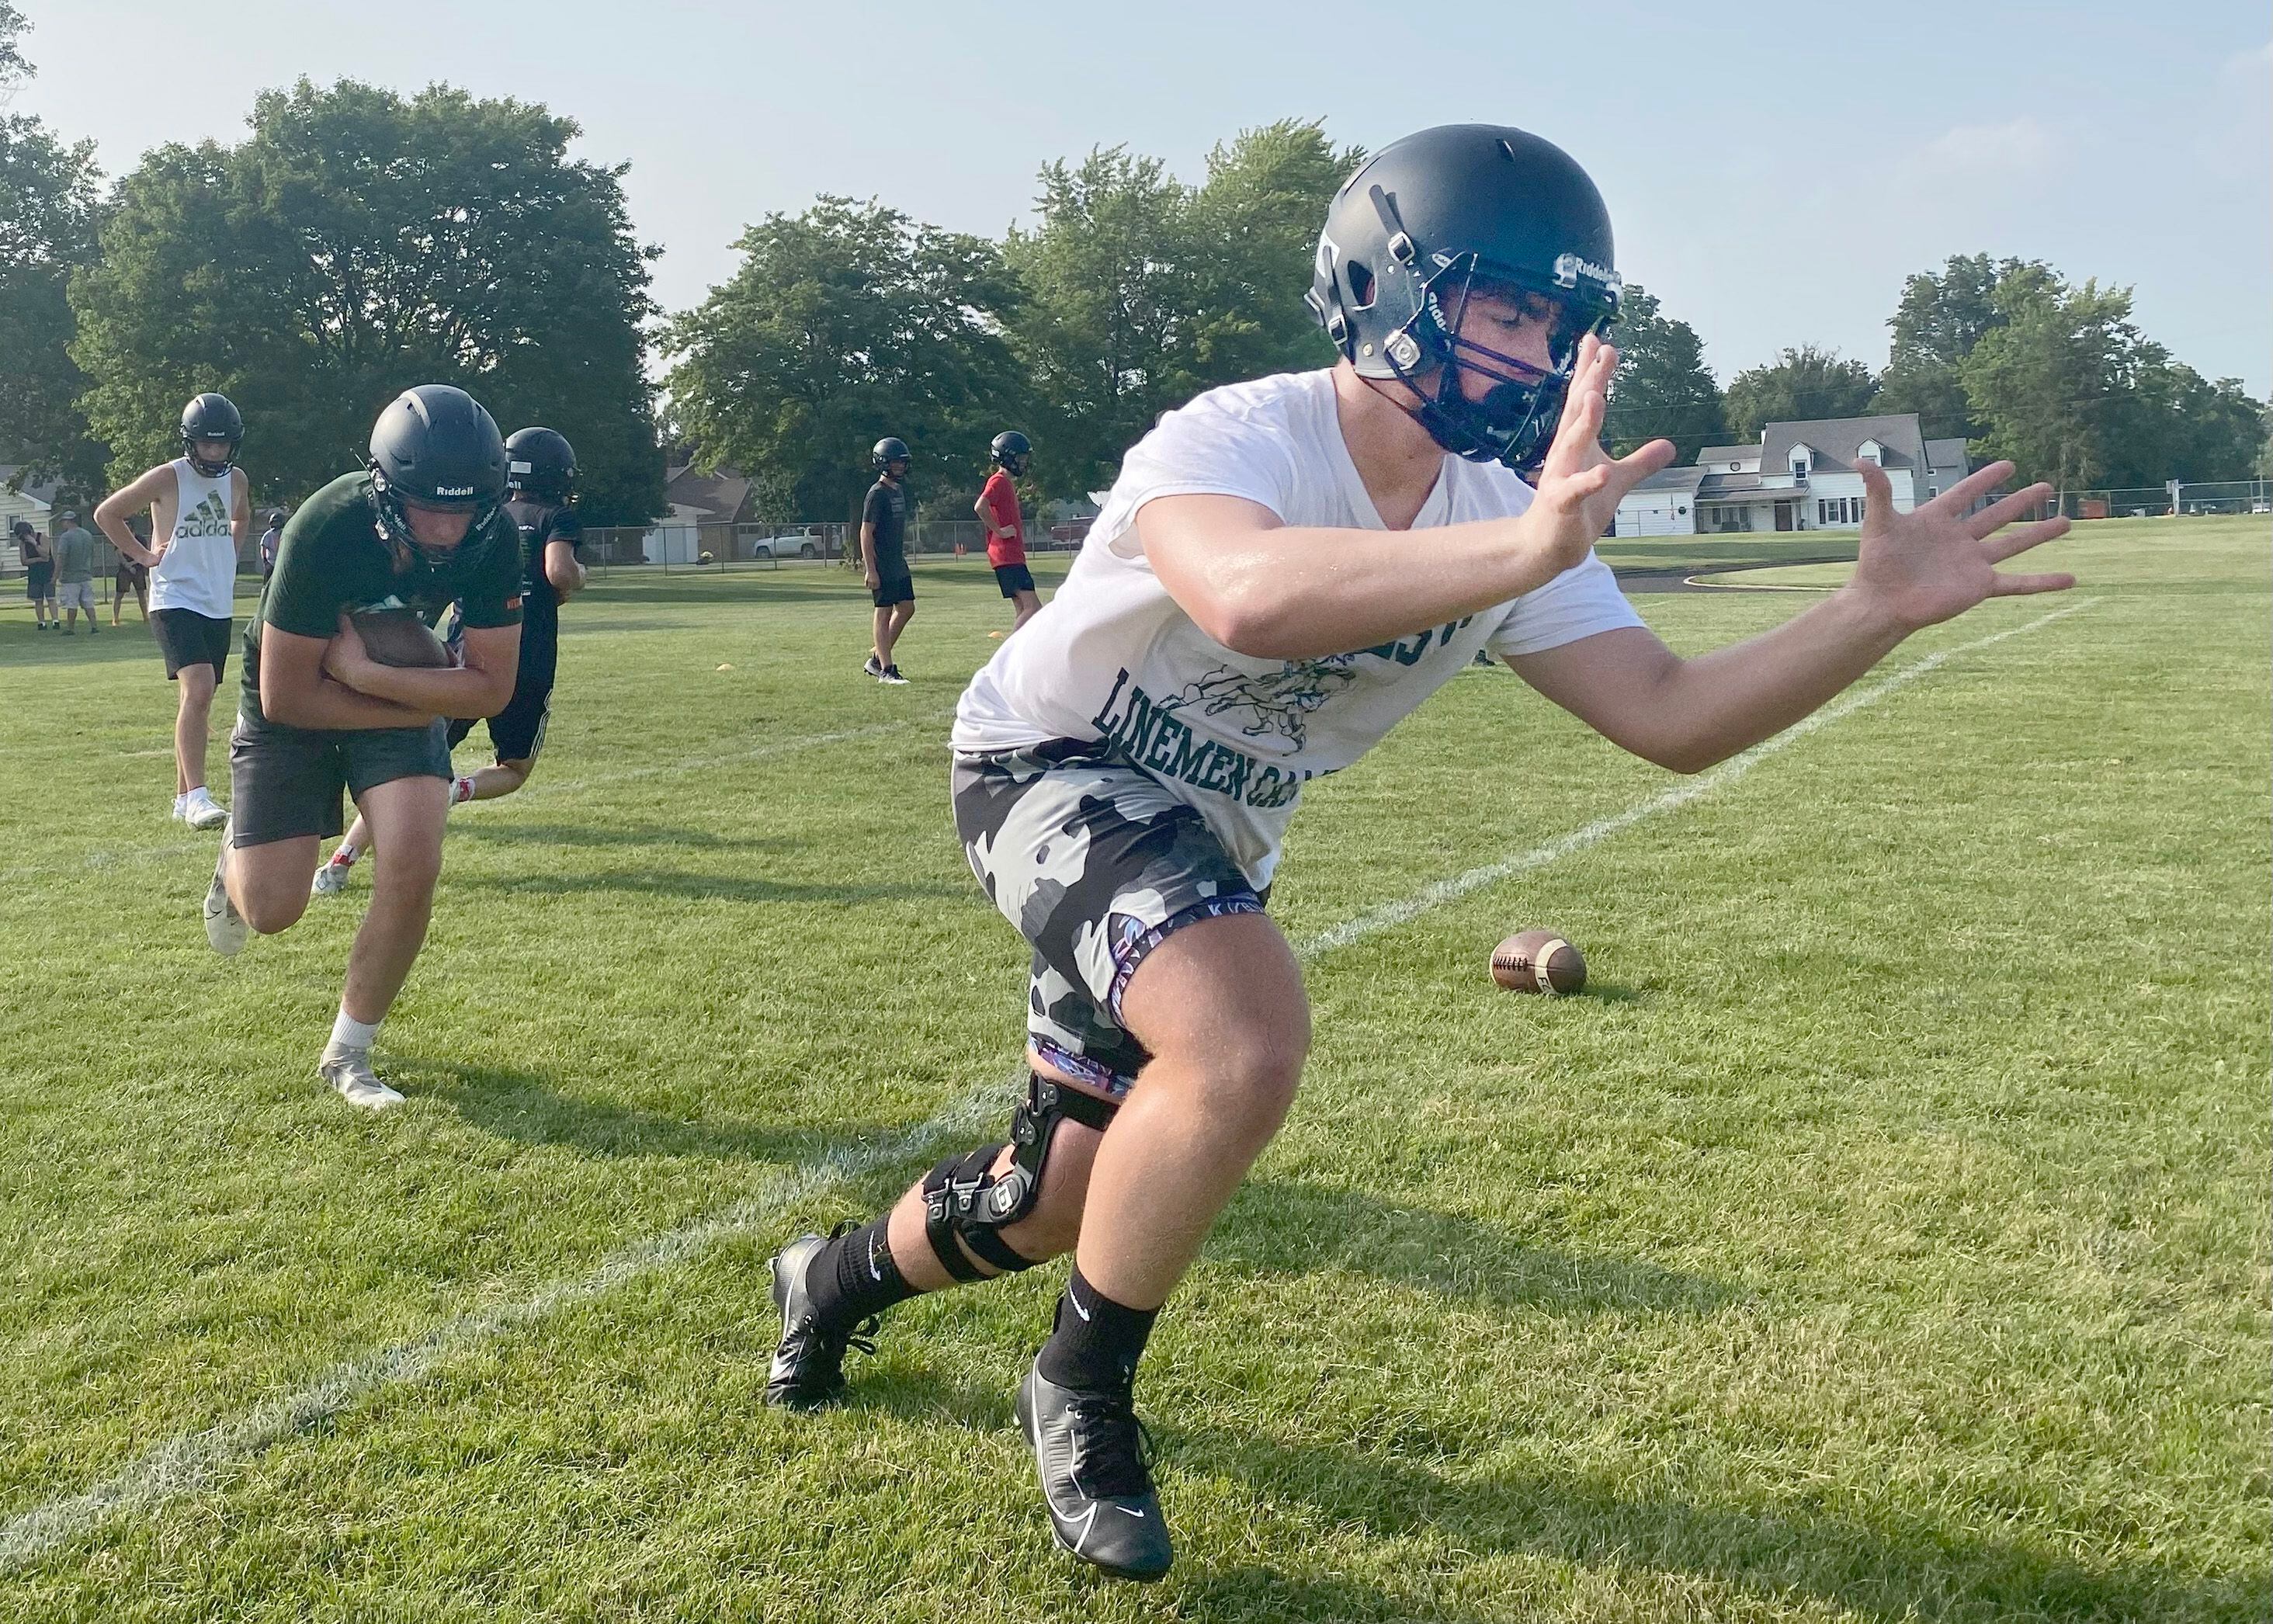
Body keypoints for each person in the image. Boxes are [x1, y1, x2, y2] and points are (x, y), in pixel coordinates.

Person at [759, 123, 2074, 1582]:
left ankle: (826, 1279)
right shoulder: (1238, 434)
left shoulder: (1506, 516)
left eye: (1560, 323)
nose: (1538, 354)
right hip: (1049, 766)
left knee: (1060, 1189)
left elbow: (1669, 715)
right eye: (1506, 310)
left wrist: (1866, 614)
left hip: (1209, 834)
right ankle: (1079, 1386)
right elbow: (1248, 595)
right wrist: (1522, 554)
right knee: (1245, 1037)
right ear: (1382, 285)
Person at [202, 383, 523, 1111]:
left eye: (464, 508)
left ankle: (349, 1052)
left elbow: (492, 688)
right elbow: (289, 698)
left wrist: (370, 674)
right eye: (427, 507)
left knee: (414, 856)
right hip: (299, 698)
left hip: (383, 683)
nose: (446, 530)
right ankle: (235, 858)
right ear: (382, 490)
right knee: (273, 911)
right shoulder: (328, 524)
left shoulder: (497, 537)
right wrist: (412, 695)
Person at [314, 426, 586, 896]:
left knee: (413, 757)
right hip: (524, 657)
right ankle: (455, 790)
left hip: (460, 659)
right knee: (514, 767)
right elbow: (557, 570)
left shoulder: (483, 516)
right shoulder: (554, 517)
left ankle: (340, 862)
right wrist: (578, 577)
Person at [94, 394, 252, 829]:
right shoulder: (168, 478)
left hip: (216, 601)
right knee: (199, 688)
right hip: (174, 597)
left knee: (196, 698)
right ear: (190, 442)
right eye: (206, 444)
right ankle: (200, 799)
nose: (215, 453)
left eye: (222, 445)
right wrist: (143, 556)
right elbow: (108, 513)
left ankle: (184, 796)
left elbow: (241, 518)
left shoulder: (236, 479)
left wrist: (229, 552)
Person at [860, 437, 914, 685]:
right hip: (882, 562)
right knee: (883, 612)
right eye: (895, 463)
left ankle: (876, 659)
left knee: (906, 608)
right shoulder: (876, 494)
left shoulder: (898, 490)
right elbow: (865, 532)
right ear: (883, 463)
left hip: (897, 561)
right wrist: (871, 569)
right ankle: (886, 670)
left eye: (902, 463)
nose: (900, 467)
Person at [977, 430, 1040, 633]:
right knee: (1034, 608)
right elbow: (980, 506)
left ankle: (1020, 656)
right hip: (1007, 555)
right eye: (1020, 458)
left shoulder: (1006, 483)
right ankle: (1009, 654)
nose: (1023, 463)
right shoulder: (998, 481)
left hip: (1010, 556)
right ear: (1007, 457)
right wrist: (1000, 531)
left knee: (1022, 608)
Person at [50, 511, 99, 635]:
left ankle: (70, 629)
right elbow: (92, 554)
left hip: (71, 576)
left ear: (68, 521)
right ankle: (94, 627)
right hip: (86, 574)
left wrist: (55, 576)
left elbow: (61, 557)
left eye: (63, 522)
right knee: (88, 602)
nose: (62, 524)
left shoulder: (66, 537)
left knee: (71, 603)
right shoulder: (88, 535)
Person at [16, 519, 56, 630]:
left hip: (48, 572)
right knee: (38, 599)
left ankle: (55, 621)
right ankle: (41, 622)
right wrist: (38, 559)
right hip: (34, 573)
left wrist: (34, 543)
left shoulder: (42, 537)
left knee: (51, 597)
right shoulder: (23, 544)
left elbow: (46, 554)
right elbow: (24, 561)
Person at [113, 517, 151, 627]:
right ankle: (115, 618)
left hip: (138, 569)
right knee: (119, 595)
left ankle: (145, 617)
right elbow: (119, 553)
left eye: (127, 525)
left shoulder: (140, 539)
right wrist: (128, 566)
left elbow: (144, 554)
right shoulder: (119, 538)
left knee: (141, 594)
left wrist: (134, 564)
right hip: (124, 570)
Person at [259, 509, 285, 580]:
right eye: (274, 522)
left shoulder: (284, 533)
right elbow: (263, 547)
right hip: (271, 562)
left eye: (277, 522)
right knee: (268, 581)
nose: (275, 524)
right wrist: (265, 561)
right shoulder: (268, 534)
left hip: (281, 561)